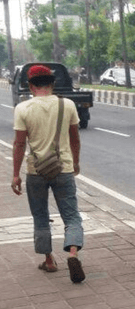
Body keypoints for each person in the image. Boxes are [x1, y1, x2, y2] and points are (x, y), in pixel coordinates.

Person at [11, 64, 85, 283]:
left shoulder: (23, 108)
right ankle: (72, 253)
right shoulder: (68, 105)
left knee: (40, 216)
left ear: (31, 86)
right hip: (63, 168)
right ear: (52, 84)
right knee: (71, 215)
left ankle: (49, 260)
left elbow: (19, 144)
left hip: (35, 171)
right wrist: (76, 162)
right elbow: (75, 138)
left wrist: (15, 174)